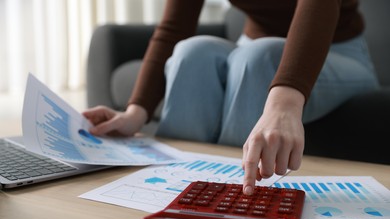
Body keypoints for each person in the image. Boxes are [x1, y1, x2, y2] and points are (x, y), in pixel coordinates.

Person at [83, 0, 379, 195]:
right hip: (249, 47)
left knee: (258, 57)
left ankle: (240, 194)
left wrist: (284, 104)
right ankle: (168, 190)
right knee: (192, 52)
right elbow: (175, 27)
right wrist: (135, 113)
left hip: (333, 52)